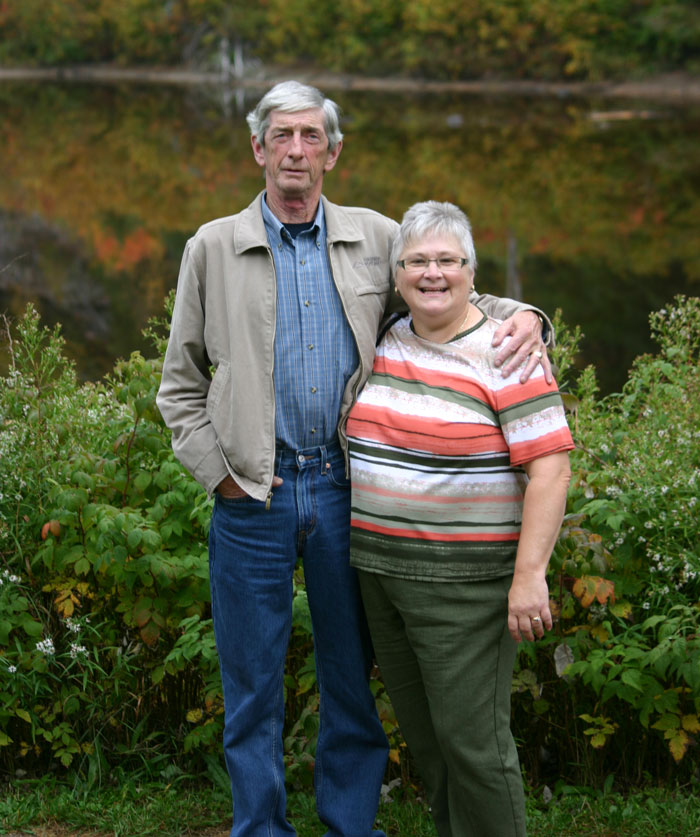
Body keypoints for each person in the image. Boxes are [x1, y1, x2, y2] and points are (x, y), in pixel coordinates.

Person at [156, 82, 552, 837]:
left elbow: (447, 289)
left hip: (345, 492)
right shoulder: (211, 246)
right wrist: (224, 476)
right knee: (251, 687)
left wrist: (525, 315)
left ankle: (349, 825)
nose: (296, 150)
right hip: (253, 497)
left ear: (334, 152)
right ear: (258, 149)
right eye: (282, 136)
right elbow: (180, 387)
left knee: (350, 679)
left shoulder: (373, 236)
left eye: (311, 136)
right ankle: (261, 828)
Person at [346, 201, 574, 837]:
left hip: (465, 587)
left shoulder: (507, 351)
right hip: (382, 576)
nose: (433, 273)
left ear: (474, 273)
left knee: (474, 747)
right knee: (430, 742)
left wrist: (530, 575)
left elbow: (550, 469)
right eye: (417, 261)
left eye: (448, 260)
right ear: (397, 275)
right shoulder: (389, 335)